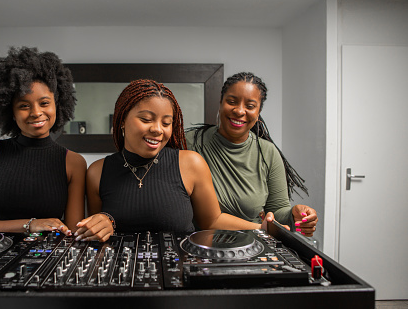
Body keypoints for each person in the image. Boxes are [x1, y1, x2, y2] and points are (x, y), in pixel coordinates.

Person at [74, 79, 284, 242]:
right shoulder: (97, 172)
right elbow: (98, 229)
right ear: (122, 120)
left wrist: (261, 228)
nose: (157, 129)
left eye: (166, 123)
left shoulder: (191, 163)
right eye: (146, 119)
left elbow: (211, 220)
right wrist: (102, 225)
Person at [0, 46, 88, 236]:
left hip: (48, 261)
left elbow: (73, 233)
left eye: (44, 103)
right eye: (24, 105)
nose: (36, 112)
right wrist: (30, 224)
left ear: (57, 105)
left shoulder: (74, 163)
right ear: (10, 111)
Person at [185, 72, 318, 236]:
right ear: (220, 103)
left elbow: (276, 212)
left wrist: (293, 215)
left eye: (250, 106)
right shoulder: (189, 143)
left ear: (258, 112)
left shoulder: (268, 153)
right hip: (198, 246)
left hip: (255, 246)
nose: (239, 111)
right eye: (232, 102)